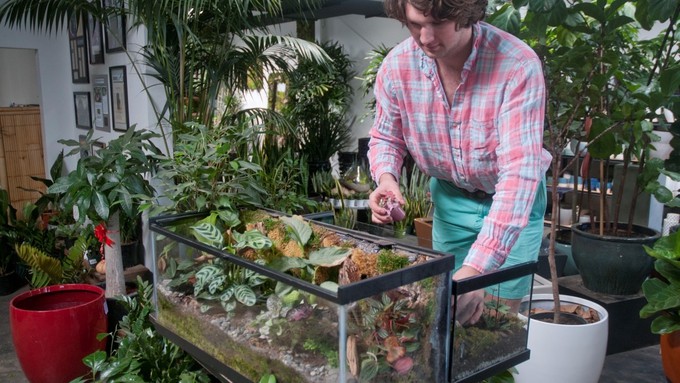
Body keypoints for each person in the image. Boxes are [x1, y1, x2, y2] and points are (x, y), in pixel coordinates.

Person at [367, 0, 550, 325]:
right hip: (450, 200)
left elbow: (519, 175)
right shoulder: (397, 67)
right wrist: (386, 177)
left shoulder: (517, 64)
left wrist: (477, 269)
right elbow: (385, 137)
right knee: (447, 313)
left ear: (467, 12)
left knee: (496, 324)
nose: (425, 37)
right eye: (414, 24)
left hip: (513, 203)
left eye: (438, 23)